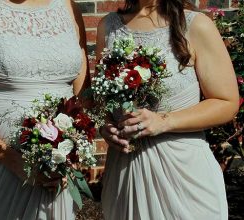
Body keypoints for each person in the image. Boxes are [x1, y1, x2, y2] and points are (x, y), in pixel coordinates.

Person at [0, 0, 89, 218]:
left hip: (57, 168)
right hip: (1, 167)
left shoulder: (69, 8)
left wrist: (71, 153)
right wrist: (13, 160)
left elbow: (84, 99)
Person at [96, 0, 239, 219]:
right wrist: (106, 126)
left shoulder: (194, 25)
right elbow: (102, 100)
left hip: (184, 175)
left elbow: (226, 102)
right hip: (126, 172)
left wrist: (164, 121)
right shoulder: (108, 27)